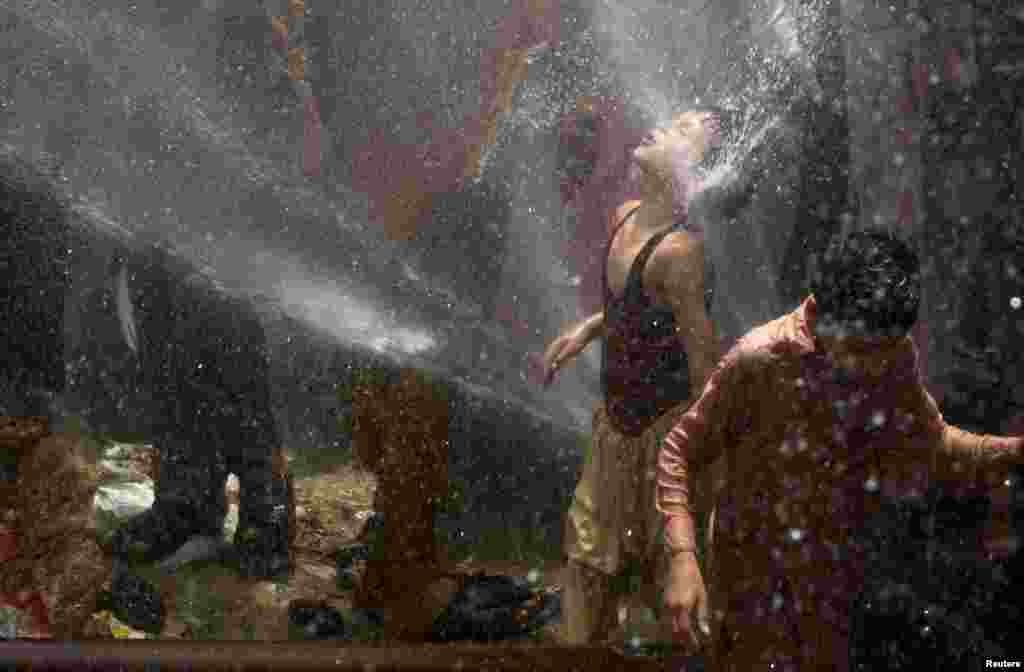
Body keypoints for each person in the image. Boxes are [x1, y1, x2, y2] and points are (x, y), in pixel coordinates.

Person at [656, 229, 1024, 670]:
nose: (875, 366)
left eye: (885, 350)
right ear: (824, 312)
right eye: (860, 350)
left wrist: (1015, 449)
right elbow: (678, 451)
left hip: (834, 583)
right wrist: (682, 558)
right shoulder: (759, 360)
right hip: (748, 585)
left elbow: (933, 444)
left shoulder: (891, 351)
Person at [540, 109, 723, 646]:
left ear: (699, 173)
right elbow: (637, 309)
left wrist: (699, 465)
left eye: (682, 130)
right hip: (613, 432)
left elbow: (703, 365)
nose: (663, 126)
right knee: (585, 557)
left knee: (663, 584)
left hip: (664, 438)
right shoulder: (627, 215)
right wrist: (592, 329)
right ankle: (581, 647)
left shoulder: (681, 252)